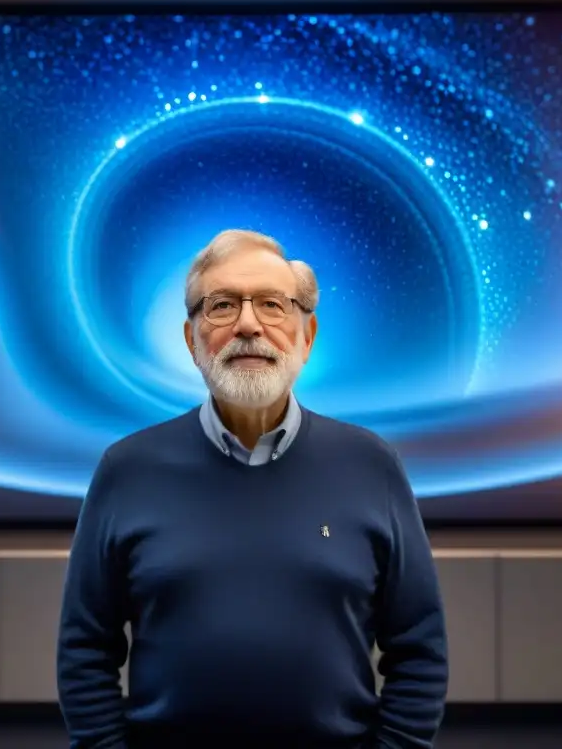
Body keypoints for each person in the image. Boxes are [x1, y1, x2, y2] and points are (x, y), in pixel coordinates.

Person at [57, 229, 448, 748]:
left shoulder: (371, 464)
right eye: (221, 306)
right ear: (191, 340)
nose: (247, 325)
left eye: (271, 304)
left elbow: (419, 649)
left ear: (306, 338)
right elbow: (85, 652)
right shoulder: (126, 468)